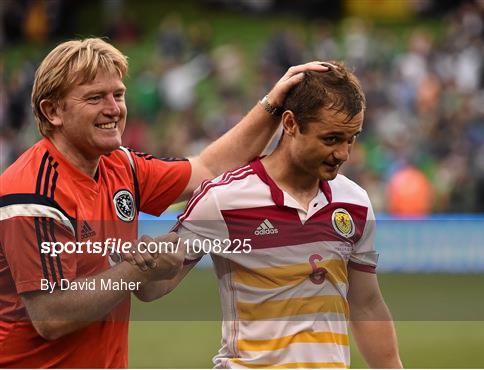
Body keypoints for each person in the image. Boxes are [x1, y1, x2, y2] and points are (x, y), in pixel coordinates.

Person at [0, 37, 328, 368]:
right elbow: (51, 315)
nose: (114, 109)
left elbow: (209, 168)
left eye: (118, 94)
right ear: (52, 111)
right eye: (95, 98)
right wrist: (137, 269)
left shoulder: (120, 164)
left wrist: (272, 104)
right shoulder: (32, 191)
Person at [135, 62, 402, 368]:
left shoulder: (354, 202)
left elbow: (366, 305)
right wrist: (142, 264)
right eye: (331, 139)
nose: (343, 153)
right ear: (289, 124)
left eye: (351, 138)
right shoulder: (224, 198)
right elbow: (154, 288)